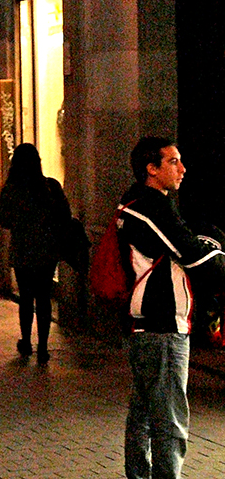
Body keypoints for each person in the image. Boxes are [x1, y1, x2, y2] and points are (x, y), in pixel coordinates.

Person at [118, 136, 225, 479]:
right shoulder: (150, 208)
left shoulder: (138, 203)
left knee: (144, 413)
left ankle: (138, 474)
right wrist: (216, 249)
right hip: (162, 326)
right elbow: (193, 255)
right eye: (173, 161)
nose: (183, 169)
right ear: (151, 169)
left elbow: (186, 244)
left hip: (148, 326)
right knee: (169, 419)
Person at [0, 142, 70, 364]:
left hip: (23, 250)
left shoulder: (11, 190)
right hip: (47, 251)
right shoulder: (51, 186)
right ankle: (44, 347)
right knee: (44, 298)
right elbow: (65, 215)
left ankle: (27, 341)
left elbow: (4, 221)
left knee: (26, 298)